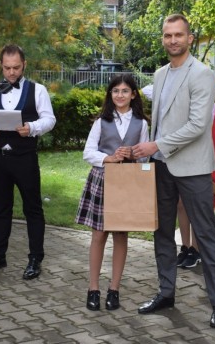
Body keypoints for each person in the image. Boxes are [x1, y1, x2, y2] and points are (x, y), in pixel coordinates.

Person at [132, 14, 215, 328]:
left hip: (194, 168)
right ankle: (166, 292)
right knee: (161, 232)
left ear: (189, 38)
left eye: (178, 35)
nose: (172, 40)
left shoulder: (202, 74)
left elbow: (198, 126)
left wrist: (157, 144)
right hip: (161, 167)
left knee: (205, 234)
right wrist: (149, 149)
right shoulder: (160, 74)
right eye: (167, 35)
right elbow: (159, 120)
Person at [0, 44, 56, 280]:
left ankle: (35, 259)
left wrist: (32, 128)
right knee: (1, 209)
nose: (11, 73)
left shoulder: (37, 90)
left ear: (24, 65)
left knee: (32, 208)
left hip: (24, 158)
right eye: (7, 68)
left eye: (16, 68)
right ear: (1, 65)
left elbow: (50, 119)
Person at [75, 74, 149, 311]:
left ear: (133, 94)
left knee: (120, 235)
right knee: (98, 235)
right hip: (103, 181)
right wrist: (108, 157)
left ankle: (114, 289)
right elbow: (88, 152)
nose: (120, 95)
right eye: (115, 91)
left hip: (127, 183)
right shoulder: (101, 121)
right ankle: (93, 288)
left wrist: (133, 155)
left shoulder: (142, 123)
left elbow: (146, 156)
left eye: (125, 91)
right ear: (110, 94)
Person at [142, 84, 200, 269]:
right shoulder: (166, 93)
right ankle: (186, 246)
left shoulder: (199, 99)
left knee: (193, 206)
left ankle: (197, 250)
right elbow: (146, 90)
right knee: (180, 205)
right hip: (167, 158)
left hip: (192, 158)